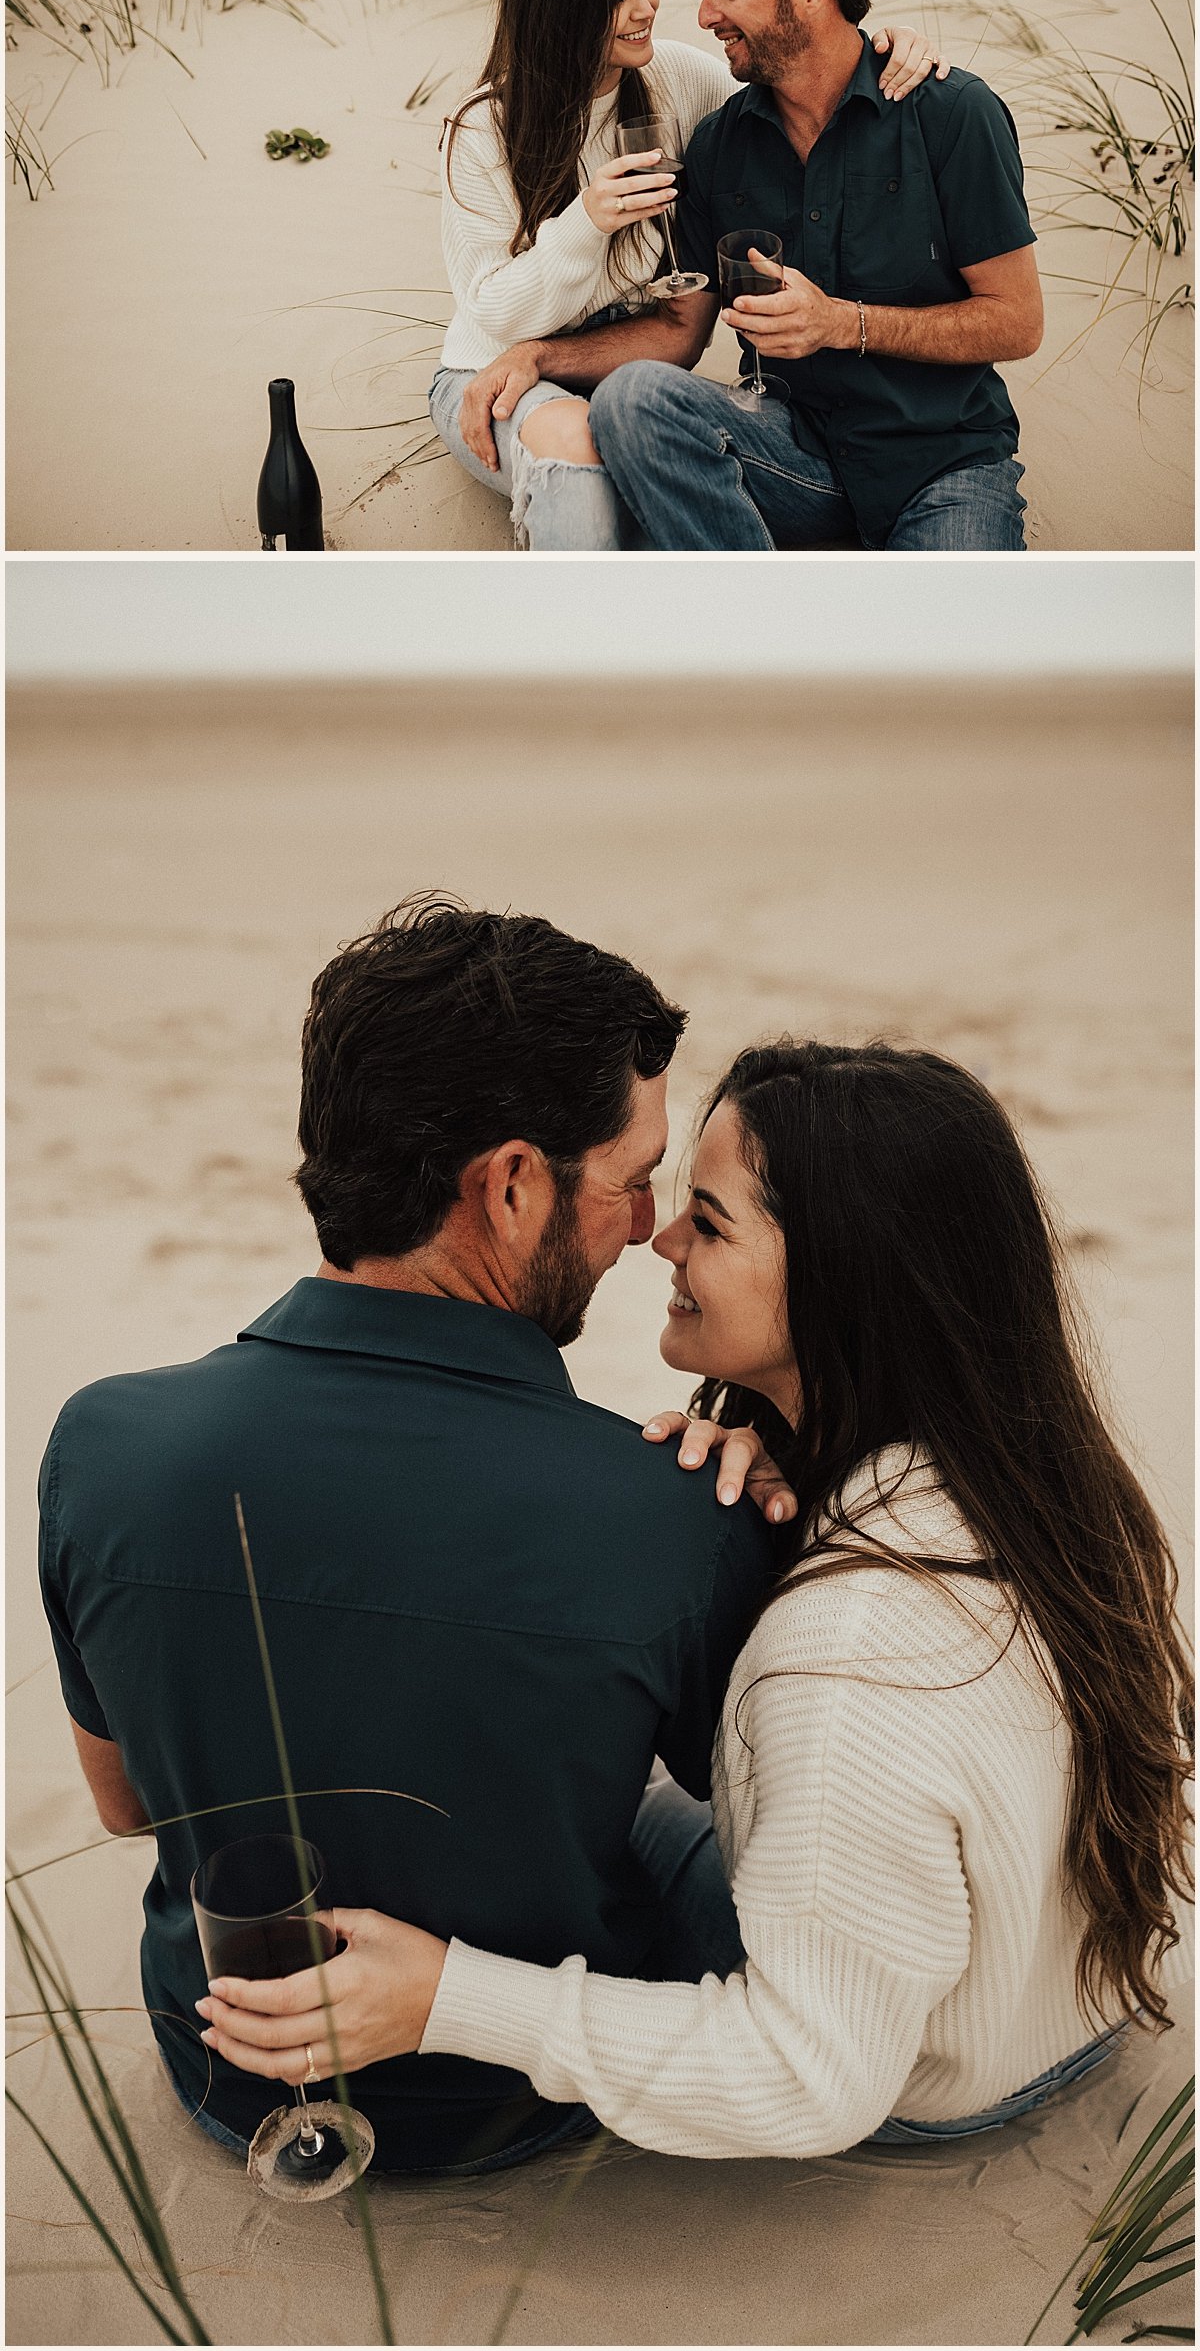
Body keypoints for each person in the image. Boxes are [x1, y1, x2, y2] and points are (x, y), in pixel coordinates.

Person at [201, 1043, 1194, 2160]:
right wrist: (786, 1491)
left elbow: (809, 2080)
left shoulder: (846, 1658)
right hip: (1054, 1997)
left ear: (847, 1279)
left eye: (709, 1224)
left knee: (575, 1827)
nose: (657, 1239)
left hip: (928, 2076)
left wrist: (446, 1999)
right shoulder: (1027, 1478)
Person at [38, 898, 771, 2176]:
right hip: (526, 2107)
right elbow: (778, 1852)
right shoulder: (672, 1514)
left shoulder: (102, 1447)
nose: (650, 1225)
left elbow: (125, 1803)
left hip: (223, 2073)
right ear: (510, 1185)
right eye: (633, 1176)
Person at [459, 0, 1045, 552]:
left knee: (941, 655)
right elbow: (679, 335)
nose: (703, 14)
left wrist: (840, 323)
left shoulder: (951, 115)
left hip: (942, 469)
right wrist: (538, 353)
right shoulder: (718, 140)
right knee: (633, 399)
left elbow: (1017, 320)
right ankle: (754, 620)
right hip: (789, 455)